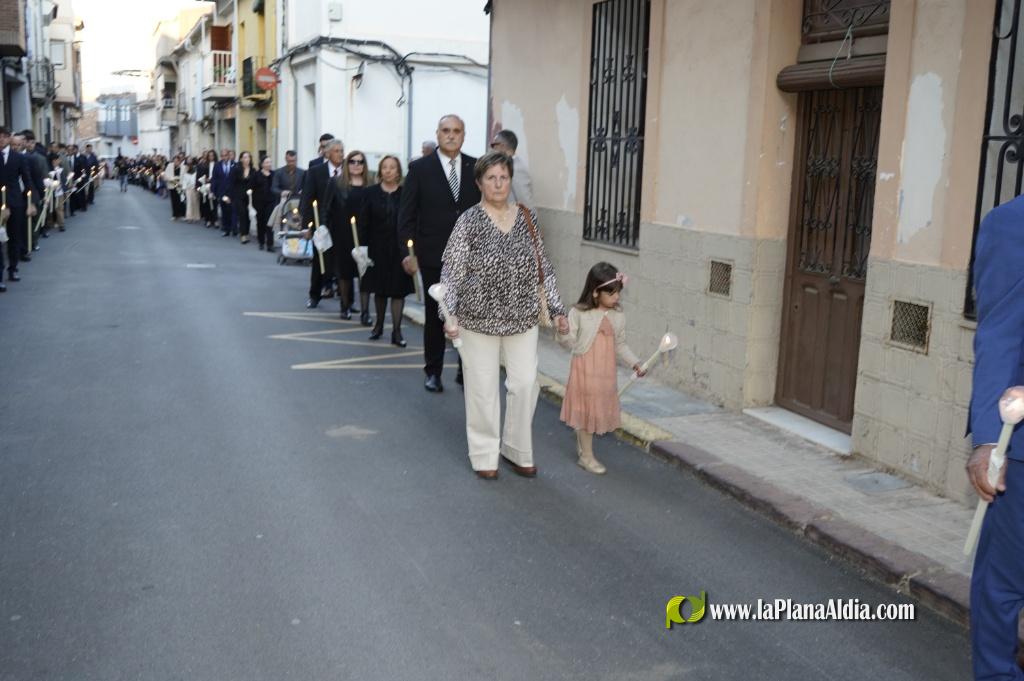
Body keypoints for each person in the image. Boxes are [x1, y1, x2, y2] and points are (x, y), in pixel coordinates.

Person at [439, 151, 568, 479]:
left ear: (510, 181)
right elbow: (452, 271)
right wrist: (448, 316)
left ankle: (516, 448)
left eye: (504, 177)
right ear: (480, 183)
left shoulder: (527, 217)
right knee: (482, 389)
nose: (498, 184)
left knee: (525, 384)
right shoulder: (468, 220)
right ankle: (484, 455)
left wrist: (557, 310)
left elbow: (543, 267)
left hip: (522, 316)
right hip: (476, 320)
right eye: (491, 178)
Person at [965, 193, 1024, 681]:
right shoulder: (1014, 225)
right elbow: (1000, 332)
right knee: (1002, 589)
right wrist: (987, 440)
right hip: (1022, 451)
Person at [398, 114, 481, 393]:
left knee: (467, 316)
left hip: (469, 256)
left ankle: (464, 369)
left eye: (457, 131)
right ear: (437, 133)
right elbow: (407, 215)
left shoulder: (475, 167)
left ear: (464, 135)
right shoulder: (420, 169)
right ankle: (432, 371)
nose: (451, 135)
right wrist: (409, 252)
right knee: (437, 316)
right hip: (433, 254)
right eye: (446, 130)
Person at [557, 262, 645, 474]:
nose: (617, 298)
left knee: (596, 412)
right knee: (586, 413)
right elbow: (568, 342)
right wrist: (564, 331)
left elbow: (620, 344)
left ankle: (583, 445)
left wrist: (636, 362)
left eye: (618, 293)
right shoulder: (578, 313)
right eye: (612, 293)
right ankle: (586, 457)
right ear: (596, 292)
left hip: (605, 374)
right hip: (585, 369)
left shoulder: (618, 316)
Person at [361, 155, 413, 346]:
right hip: (377, 247)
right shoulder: (370, 193)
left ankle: (397, 332)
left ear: (398, 171)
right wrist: (361, 248)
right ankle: (378, 325)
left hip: (399, 249)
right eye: (385, 167)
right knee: (380, 290)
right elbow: (364, 222)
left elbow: (411, 220)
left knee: (398, 291)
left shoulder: (405, 193)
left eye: (392, 167)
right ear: (380, 171)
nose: (388, 171)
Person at [299, 138, 349, 313]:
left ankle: (346, 300)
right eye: (337, 151)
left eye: (342, 151)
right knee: (320, 261)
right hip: (321, 224)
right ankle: (314, 295)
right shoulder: (315, 172)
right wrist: (306, 225)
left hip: (343, 225)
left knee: (344, 264)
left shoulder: (348, 172)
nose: (341, 154)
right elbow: (307, 198)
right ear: (327, 153)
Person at [0, 126, 37, 289]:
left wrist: (31, 203)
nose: (1, 139)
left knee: (15, 237)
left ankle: (13, 268)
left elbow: (27, 180)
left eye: (3, 136)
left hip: (16, 202)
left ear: (9, 138)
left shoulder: (19, 158)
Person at [343, 149, 370, 323]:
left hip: (365, 233)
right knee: (345, 273)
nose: (356, 165)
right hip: (343, 233)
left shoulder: (370, 184)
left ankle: (365, 312)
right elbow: (328, 208)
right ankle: (345, 307)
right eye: (352, 161)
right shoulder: (338, 184)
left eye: (360, 162)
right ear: (347, 164)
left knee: (364, 274)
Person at [490, 129, 534, 209]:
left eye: (494, 145)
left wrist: (530, 221)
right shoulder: (506, 165)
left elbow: (525, 202)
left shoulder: (517, 169)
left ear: (502, 146)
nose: (493, 149)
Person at [229, 151, 258, 244]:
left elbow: (255, 183)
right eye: (245, 157)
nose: (247, 159)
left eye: (248, 157)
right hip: (239, 195)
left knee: (248, 215)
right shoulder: (236, 169)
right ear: (241, 159)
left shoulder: (253, 170)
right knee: (242, 214)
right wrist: (230, 196)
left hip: (249, 197)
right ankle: (243, 235)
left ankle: (247, 232)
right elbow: (231, 183)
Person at [212, 148, 235, 236]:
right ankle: (226, 229)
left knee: (232, 211)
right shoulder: (217, 165)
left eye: (226, 155)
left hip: (232, 192)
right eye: (222, 156)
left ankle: (234, 228)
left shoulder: (234, 165)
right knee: (224, 211)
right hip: (222, 192)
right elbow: (214, 179)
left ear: (229, 156)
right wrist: (213, 191)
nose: (224, 157)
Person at [253, 156, 274, 251]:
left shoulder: (274, 174)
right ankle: (261, 241)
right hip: (259, 202)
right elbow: (251, 188)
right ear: (262, 164)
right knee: (260, 222)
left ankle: (270, 244)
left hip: (271, 202)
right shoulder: (256, 174)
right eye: (267, 162)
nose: (269, 164)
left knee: (269, 222)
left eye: (270, 162)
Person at [197, 150, 217, 227]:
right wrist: (205, 179)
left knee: (214, 203)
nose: (211, 157)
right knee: (207, 203)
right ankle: (208, 219)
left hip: (214, 185)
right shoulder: (204, 164)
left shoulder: (217, 164)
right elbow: (201, 175)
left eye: (212, 155)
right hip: (206, 185)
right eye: (209, 155)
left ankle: (215, 220)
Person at [164, 155, 186, 221]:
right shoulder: (170, 166)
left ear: (180, 161)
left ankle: (182, 214)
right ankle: (175, 215)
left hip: (180, 185)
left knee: (181, 200)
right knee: (174, 200)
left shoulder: (184, 167)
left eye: (177, 161)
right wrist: (171, 179)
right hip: (172, 185)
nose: (176, 162)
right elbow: (165, 175)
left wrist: (180, 182)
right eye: (174, 161)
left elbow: (185, 176)